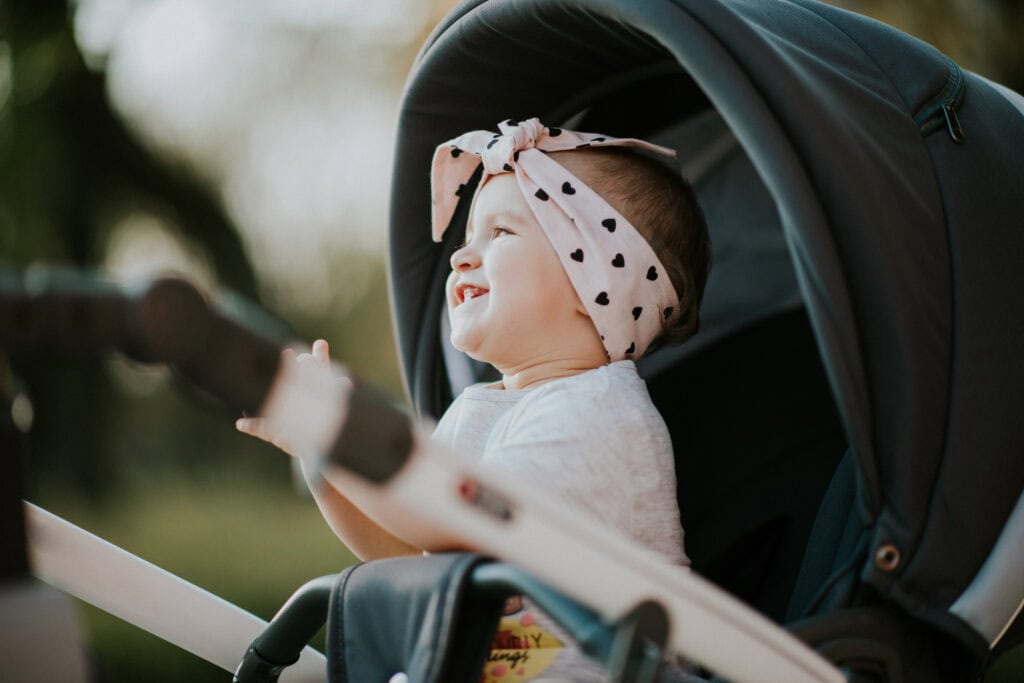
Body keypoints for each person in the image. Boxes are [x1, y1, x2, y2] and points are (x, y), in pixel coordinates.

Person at [237, 117, 711, 682]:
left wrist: (343, 432)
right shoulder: (478, 408)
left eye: (501, 235)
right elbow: (416, 561)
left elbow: (454, 525)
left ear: (597, 288)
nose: (462, 258)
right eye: (466, 241)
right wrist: (323, 460)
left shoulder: (601, 413)